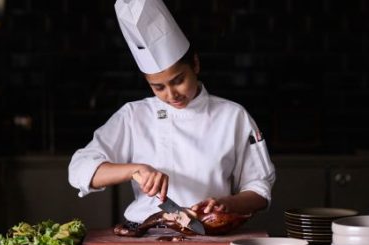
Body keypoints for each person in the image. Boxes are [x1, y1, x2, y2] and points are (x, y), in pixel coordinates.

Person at [68, 0, 275, 225]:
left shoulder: (233, 116)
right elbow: (79, 170)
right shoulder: (133, 116)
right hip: (144, 237)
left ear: (195, 64)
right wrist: (135, 170)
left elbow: (259, 190)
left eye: (178, 81)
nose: (171, 94)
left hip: (210, 235)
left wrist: (226, 204)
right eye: (158, 87)